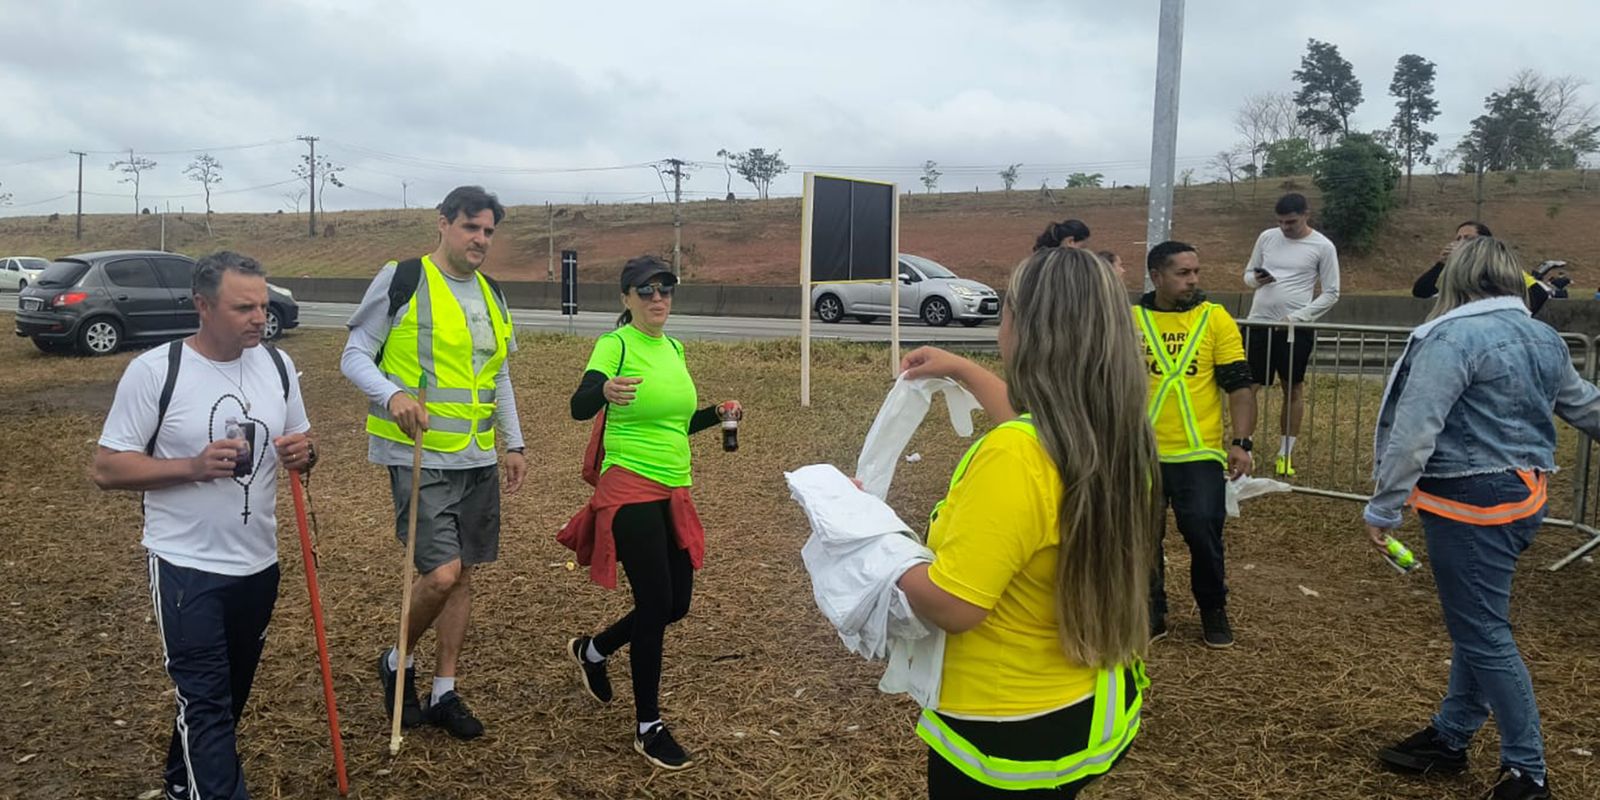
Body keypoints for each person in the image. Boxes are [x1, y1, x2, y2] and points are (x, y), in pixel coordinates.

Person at [892, 246, 1158, 798]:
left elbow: (954, 605)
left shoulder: (1015, 456)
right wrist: (964, 370)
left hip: (1006, 731)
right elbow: (1036, 422)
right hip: (1091, 701)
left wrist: (873, 542)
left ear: (1025, 327)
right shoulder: (1119, 433)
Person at [1365, 237, 1600, 800]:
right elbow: (1584, 403)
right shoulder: (1542, 335)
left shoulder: (1450, 337)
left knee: (1483, 631)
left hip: (1468, 501)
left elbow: (1416, 427)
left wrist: (1384, 504)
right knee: (1479, 622)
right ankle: (1451, 735)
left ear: (1459, 278)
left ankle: (1527, 771)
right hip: (1524, 497)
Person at [93, 251, 316, 800]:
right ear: (202, 305)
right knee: (206, 700)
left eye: (263, 305)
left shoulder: (278, 366)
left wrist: (304, 454)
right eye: (243, 307)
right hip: (185, 565)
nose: (259, 318)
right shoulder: (156, 370)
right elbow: (107, 467)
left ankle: (178, 782)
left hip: (258, 562)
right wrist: (192, 466)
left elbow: (305, 449)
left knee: (227, 697)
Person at [340, 185, 527, 740]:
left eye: (489, 231)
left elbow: (498, 376)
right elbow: (353, 356)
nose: (481, 239)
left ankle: (444, 690)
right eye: (471, 227)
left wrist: (512, 445)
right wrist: (392, 396)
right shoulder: (403, 279)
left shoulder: (492, 293)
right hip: (420, 454)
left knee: (464, 573)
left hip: (477, 457)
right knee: (440, 575)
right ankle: (398, 660)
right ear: (442, 224)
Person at [562, 255, 742, 771]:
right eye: (646, 291)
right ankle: (648, 727)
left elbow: (675, 423)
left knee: (676, 604)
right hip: (629, 486)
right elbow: (579, 405)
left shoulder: (676, 348)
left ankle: (593, 651)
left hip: (674, 487)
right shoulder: (615, 344)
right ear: (626, 298)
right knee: (657, 599)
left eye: (665, 289)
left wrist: (717, 414)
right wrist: (604, 390)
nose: (658, 298)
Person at [1137, 241, 1257, 648]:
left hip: (1198, 452)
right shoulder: (1129, 319)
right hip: (1141, 452)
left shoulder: (1215, 319)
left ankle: (1212, 607)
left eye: (1196, 272)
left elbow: (1239, 386)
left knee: (1204, 532)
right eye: (1182, 273)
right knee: (1142, 537)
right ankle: (1152, 611)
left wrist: (1241, 442)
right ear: (1156, 276)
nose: (1193, 280)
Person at [1242, 192, 1341, 477]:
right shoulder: (1267, 237)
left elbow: (1332, 292)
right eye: (1281, 222)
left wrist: (1298, 317)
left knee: (1293, 387)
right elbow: (1248, 274)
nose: (1285, 227)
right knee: (1249, 387)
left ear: (1306, 215)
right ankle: (1244, 446)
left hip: (1295, 328)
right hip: (1258, 323)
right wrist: (1255, 279)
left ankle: (1285, 454)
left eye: (1291, 222)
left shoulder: (1323, 246)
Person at [1412, 221, 1550, 314]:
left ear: (1485, 243)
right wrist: (1441, 264)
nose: (1461, 242)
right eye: (1458, 238)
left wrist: (1514, 317)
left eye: (1468, 238)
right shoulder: (1455, 271)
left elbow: (1539, 294)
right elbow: (1421, 291)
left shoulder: (1501, 267)